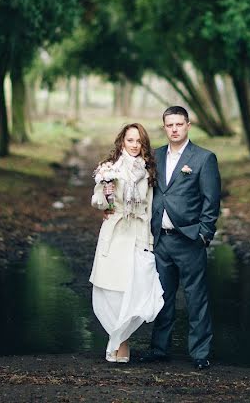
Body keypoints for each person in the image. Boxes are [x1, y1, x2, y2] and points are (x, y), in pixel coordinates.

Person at [140, 105, 221, 370]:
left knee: (196, 298)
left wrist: (204, 234)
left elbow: (211, 200)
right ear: (164, 127)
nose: (174, 129)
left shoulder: (203, 158)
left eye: (179, 124)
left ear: (188, 125)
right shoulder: (155, 156)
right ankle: (159, 349)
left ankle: (200, 353)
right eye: (169, 125)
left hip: (189, 239)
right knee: (162, 297)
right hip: (161, 240)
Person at [89, 123, 165, 363]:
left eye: (139, 141)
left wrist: (149, 242)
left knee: (136, 291)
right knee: (110, 290)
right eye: (130, 140)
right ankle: (119, 342)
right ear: (122, 141)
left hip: (138, 233)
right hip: (115, 233)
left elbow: (150, 208)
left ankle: (120, 341)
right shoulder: (109, 168)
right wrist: (105, 189)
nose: (134, 145)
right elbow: (99, 204)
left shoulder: (148, 172)